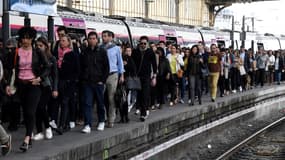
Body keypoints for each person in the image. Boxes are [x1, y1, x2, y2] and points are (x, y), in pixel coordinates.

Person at [5, 26, 49, 152]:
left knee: (30, 112)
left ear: (32, 39)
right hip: (20, 85)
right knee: (26, 112)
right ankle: (29, 137)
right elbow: (9, 70)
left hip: (34, 85)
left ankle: (27, 138)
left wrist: (39, 78)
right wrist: (8, 84)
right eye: (23, 38)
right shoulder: (16, 52)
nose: (25, 40)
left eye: (28, 38)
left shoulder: (37, 52)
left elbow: (47, 67)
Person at [80, 32, 109, 133]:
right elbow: (82, 67)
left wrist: (103, 80)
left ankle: (101, 121)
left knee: (100, 103)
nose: (92, 40)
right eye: (90, 38)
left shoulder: (102, 51)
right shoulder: (84, 52)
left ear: (97, 40)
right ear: (87, 40)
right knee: (87, 103)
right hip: (87, 82)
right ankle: (87, 124)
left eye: (93, 38)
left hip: (98, 82)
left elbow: (106, 67)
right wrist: (83, 79)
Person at [33, 37, 58, 140]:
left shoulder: (51, 58)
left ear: (46, 46)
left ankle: (47, 127)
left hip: (47, 85)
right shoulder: (34, 57)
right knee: (36, 108)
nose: (39, 48)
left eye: (41, 46)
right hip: (35, 85)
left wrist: (55, 89)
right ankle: (39, 131)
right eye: (37, 46)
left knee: (41, 107)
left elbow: (55, 75)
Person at [57, 35, 80, 132]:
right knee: (63, 102)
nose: (61, 42)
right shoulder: (58, 54)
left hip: (69, 82)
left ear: (68, 42)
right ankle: (66, 124)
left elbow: (77, 69)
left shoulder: (72, 54)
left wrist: (73, 80)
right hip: (61, 81)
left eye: (63, 40)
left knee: (65, 102)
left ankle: (62, 125)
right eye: (60, 41)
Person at [101, 30, 124, 128]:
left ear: (111, 37)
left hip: (113, 75)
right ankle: (103, 117)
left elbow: (120, 62)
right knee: (100, 97)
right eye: (103, 36)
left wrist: (121, 75)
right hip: (102, 75)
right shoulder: (100, 48)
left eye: (105, 36)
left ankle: (111, 119)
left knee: (111, 98)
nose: (103, 38)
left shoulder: (116, 48)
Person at [132, 36, 157, 121]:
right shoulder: (135, 52)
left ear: (147, 44)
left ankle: (143, 113)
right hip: (137, 76)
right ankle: (142, 109)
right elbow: (133, 63)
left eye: (144, 43)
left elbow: (154, 65)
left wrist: (154, 76)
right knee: (139, 94)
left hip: (146, 76)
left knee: (145, 94)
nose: (143, 45)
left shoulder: (150, 52)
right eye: (141, 43)